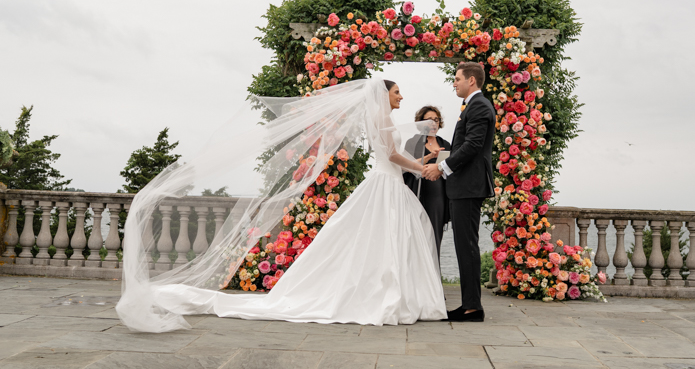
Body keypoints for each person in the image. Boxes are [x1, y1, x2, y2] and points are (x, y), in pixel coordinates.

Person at [117, 78, 446, 332]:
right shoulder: (384, 119)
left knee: (380, 241)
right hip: (385, 185)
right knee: (386, 240)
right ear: (382, 94)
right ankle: (389, 296)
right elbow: (390, 155)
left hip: (385, 183)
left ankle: (386, 292)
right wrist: (422, 167)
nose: (401, 97)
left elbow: (390, 155)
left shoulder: (380, 119)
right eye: (397, 92)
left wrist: (425, 161)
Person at [422, 62, 495, 323]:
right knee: (465, 247)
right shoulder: (472, 106)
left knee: (467, 247)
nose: (454, 82)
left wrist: (442, 167)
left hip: (468, 187)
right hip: (464, 186)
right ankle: (469, 305)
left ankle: (473, 308)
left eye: (457, 78)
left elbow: (473, 145)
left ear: (471, 81)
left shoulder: (479, 106)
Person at [403, 106, 451, 262]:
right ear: (421, 123)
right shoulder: (413, 143)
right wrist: (430, 156)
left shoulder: (446, 144)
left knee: (435, 237)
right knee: (417, 238)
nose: (433, 124)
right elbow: (405, 167)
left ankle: (434, 279)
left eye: (436, 120)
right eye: (429, 120)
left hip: (438, 197)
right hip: (417, 195)